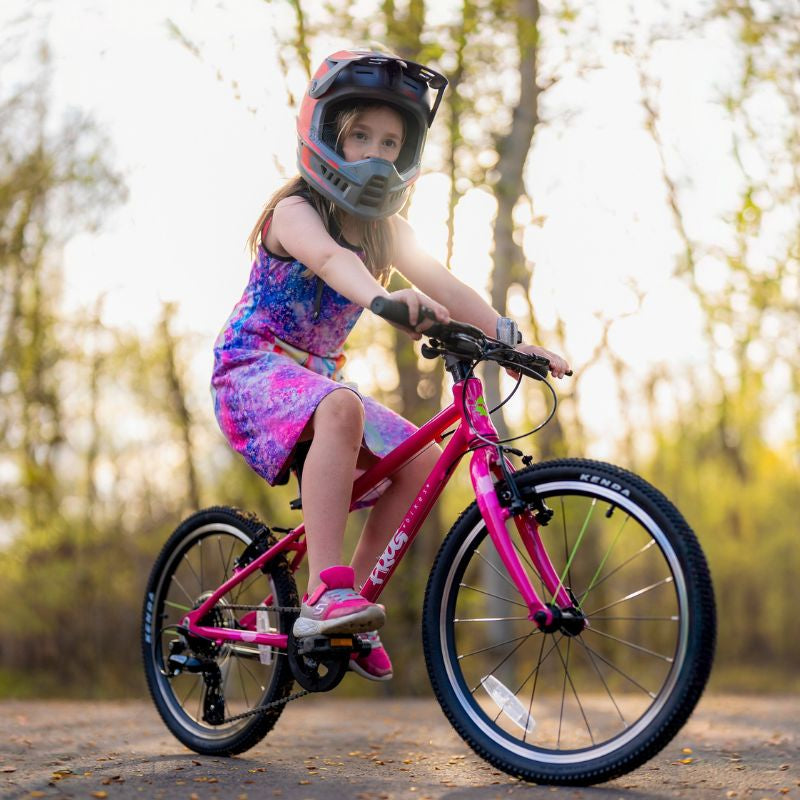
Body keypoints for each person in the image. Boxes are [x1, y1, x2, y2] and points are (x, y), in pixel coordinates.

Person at [211, 49, 570, 682]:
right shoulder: (294, 213)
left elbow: (451, 287)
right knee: (341, 404)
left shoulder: (389, 231)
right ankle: (327, 589)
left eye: (390, 143)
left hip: (316, 382)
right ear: (325, 136)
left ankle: (354, 610)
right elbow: (328, 261)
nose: (376, 154)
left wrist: (514, 341)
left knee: (420, 461)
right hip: (251, 372)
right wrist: (381, 299)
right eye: (360, 138)